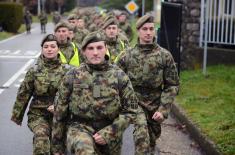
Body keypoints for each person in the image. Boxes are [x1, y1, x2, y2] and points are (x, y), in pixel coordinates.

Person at [52, 32, 139, 155]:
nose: (95, 53)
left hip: (110, 131)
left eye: (99, 48)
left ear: (106, 49)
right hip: (79, 128)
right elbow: (59, 111)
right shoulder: (72, 76)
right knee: (84, 150)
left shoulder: (119, 76)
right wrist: (57, 147)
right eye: (90, 48)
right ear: (84, 51)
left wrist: (111, 131)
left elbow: (131, 110)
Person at [116, 14, 180, 154]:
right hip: (134, 103)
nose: (148, 32)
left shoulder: (164, 55)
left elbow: (172, 85)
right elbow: (114, 80)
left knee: (151, 141)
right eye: (145, 29)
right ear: (138, 31)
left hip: (155, 105)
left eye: (151, 29)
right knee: (141, 137)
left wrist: (163, 110)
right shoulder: (126, 55)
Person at [11, 34, 71, 155]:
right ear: (42, 49)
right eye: (46, 46)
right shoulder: (34, 71)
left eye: (53, 46)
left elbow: (75, 96)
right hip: (38, 114)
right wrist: (17, 116)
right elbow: (23, 93)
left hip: (61, 116)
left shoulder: (68, 71)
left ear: (58, 49)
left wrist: (60, 108)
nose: (49, 49)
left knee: (57, 149)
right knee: (41, 137)